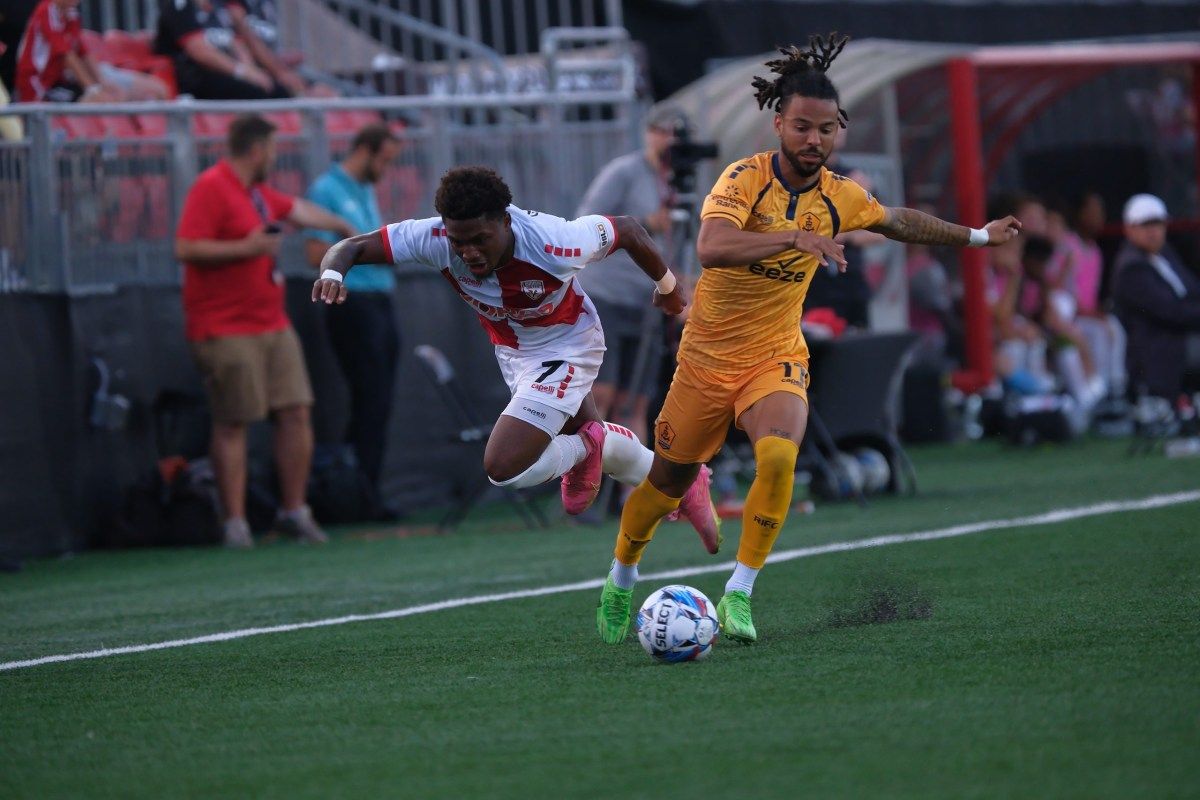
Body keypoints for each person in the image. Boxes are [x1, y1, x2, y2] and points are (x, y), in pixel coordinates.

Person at [593, 34, 1021, 646]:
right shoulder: (742, 180)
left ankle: (738, 592)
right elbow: (711, 248)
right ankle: (620, 578)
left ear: (838, 130)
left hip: (775, 355)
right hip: (706, 360)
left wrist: (978, 237)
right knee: (665, 488)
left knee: (777, 456)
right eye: (801, 127)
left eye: (825, 129)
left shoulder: (841, 196)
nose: (813, 140)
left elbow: (900, 222)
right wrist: (793, 238)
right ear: (778, 125)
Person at [311, 166, 721, 551]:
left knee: (504, 466)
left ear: (505, 222)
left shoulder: (555, 241)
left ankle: (586, 447)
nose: (468, 252)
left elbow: (629, 229)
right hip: (514, 353)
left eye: (479, 239)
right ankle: (686, 482)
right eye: (459, 241)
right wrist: (333, 273)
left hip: (568, 345)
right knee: (593, 441)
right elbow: (350, 247)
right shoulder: (433, 237)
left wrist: (668, 287)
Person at [176, 113, 356, 548]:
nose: (274, 157)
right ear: (256, 149)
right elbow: (185, 247)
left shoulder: (254, 193)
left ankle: (294, 511)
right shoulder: (211, 186)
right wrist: (247, 248)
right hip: (225, 327)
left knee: (295, 411)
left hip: (271, 323)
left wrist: (345, 229)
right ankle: (234, 524)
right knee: (233, 421)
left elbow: (297, 209)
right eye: (272, 149)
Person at [573, 105, 681, 473]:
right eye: (660, 131)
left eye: (674, 133)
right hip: (607, 294)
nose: (667, 140)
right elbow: (587, 222)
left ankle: (633, 490)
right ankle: (587, 480)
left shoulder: (682, 181)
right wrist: (645, 225)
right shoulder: (624, 172)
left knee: (636, 400)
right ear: (648, 133)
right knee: (602, 393)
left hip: (648, 301)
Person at [304, 123, 403, 516]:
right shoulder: (326, 190)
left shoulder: (363, 188)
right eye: (384, 160)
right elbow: (314, 254)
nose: (386, 169)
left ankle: (365, 489)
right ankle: (361, 495)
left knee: (378, 401)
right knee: (368, 397)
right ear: (365, 149)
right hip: (353, 302)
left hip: (380, 299)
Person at [1111, 193, 1200, 403]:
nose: (1153, 231)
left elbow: (1192, 290)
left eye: (1157, 223)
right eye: (1145, 225)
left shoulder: (1164, 253)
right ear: (1129, 229)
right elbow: (1172, 312)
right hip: (1162, 349)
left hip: (1184, 337)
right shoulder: (1131, 267)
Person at [15, 0, 167, 103]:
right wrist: (92, 88)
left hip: (60, 81)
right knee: (101, 101)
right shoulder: (47, 10)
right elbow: (66, 55)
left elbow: (82, 51)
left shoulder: (70, 13)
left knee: (115, 94)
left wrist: (102, 82)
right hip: (39, 87)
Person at [154, 0, 285, 100]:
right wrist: (242, 71)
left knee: (279, 90)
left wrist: (251, 69)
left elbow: (237, 43)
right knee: (256, 93)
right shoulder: (180, 5)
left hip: (226, 73)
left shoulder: (219, 5)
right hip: (195, 77)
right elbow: (199, 51)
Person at [224, 0, 337, 97]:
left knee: (338, 90)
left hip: (270, 67)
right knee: (294, 93)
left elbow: (263, 47)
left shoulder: (270, 5)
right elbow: (242, 38)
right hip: (249, 72)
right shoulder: (236, 8)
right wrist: (279, 71)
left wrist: (280, 60)